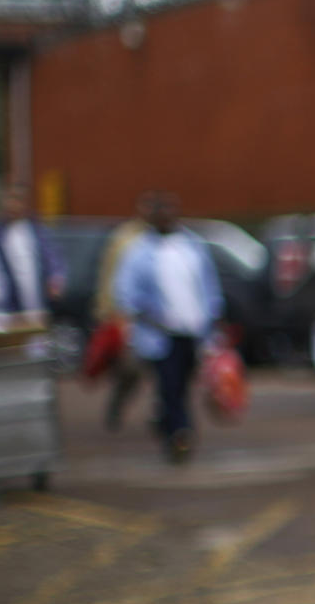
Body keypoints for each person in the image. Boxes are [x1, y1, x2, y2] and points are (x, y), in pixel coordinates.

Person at [112, 201, 222, 463]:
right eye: (159, 214)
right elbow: (126, 293)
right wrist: (146, 317)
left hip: (193, 331)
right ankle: (181, 434)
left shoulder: (192, 246)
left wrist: (214, 323)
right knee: (169, 384)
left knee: (183, 384)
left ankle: (167, 423)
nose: (166, 218)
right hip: (160, 334)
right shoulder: (139, 252)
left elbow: (209, 286)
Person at [93, 194, 161, 432]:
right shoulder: (125, 237)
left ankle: (161, 412)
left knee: (163, 370)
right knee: (130, 369)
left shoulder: (165, 238)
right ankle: (117, 405)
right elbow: (109, 276)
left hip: (159, 319)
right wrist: (108, 312)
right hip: (129, 317)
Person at [0, 181, 65, 317]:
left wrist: (55, 277)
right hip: (9, 305)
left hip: (37, 301)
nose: (13, 204)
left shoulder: (38, 231)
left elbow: (52, 257)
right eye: (9, 199)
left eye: (18, 200)